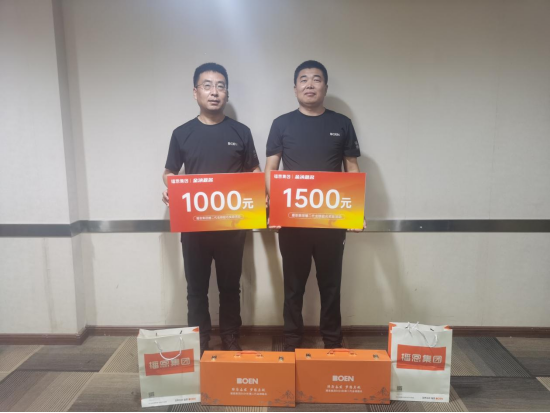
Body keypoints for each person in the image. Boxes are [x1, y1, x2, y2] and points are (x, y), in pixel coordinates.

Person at [265, 60, 365, 352]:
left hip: (330, 221)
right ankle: (292, 341)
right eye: (304, 79)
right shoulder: (281, 124)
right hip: (292, 221)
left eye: (317, 79)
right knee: (293, 286)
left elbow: (351, 167)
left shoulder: (342, 123)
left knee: (331, 285)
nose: (310, 85)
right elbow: (271, 169)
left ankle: (332, 342)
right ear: (295, 87)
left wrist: (356, 211)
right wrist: (274, 208)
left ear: (326, 87)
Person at [163, 63, 260, 355]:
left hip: (231, 227)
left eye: (220, 86)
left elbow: (254, 171)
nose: (214, 92)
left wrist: (259, 191)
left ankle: (230, 338)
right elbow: (169, 172)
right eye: (207, 86)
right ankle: (200, 341)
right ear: (195, 93)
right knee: (196, 289)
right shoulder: (182, 133)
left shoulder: (241, 132)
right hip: (194, 226)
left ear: (227, 93)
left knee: (230, 287)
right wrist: (170, 188)